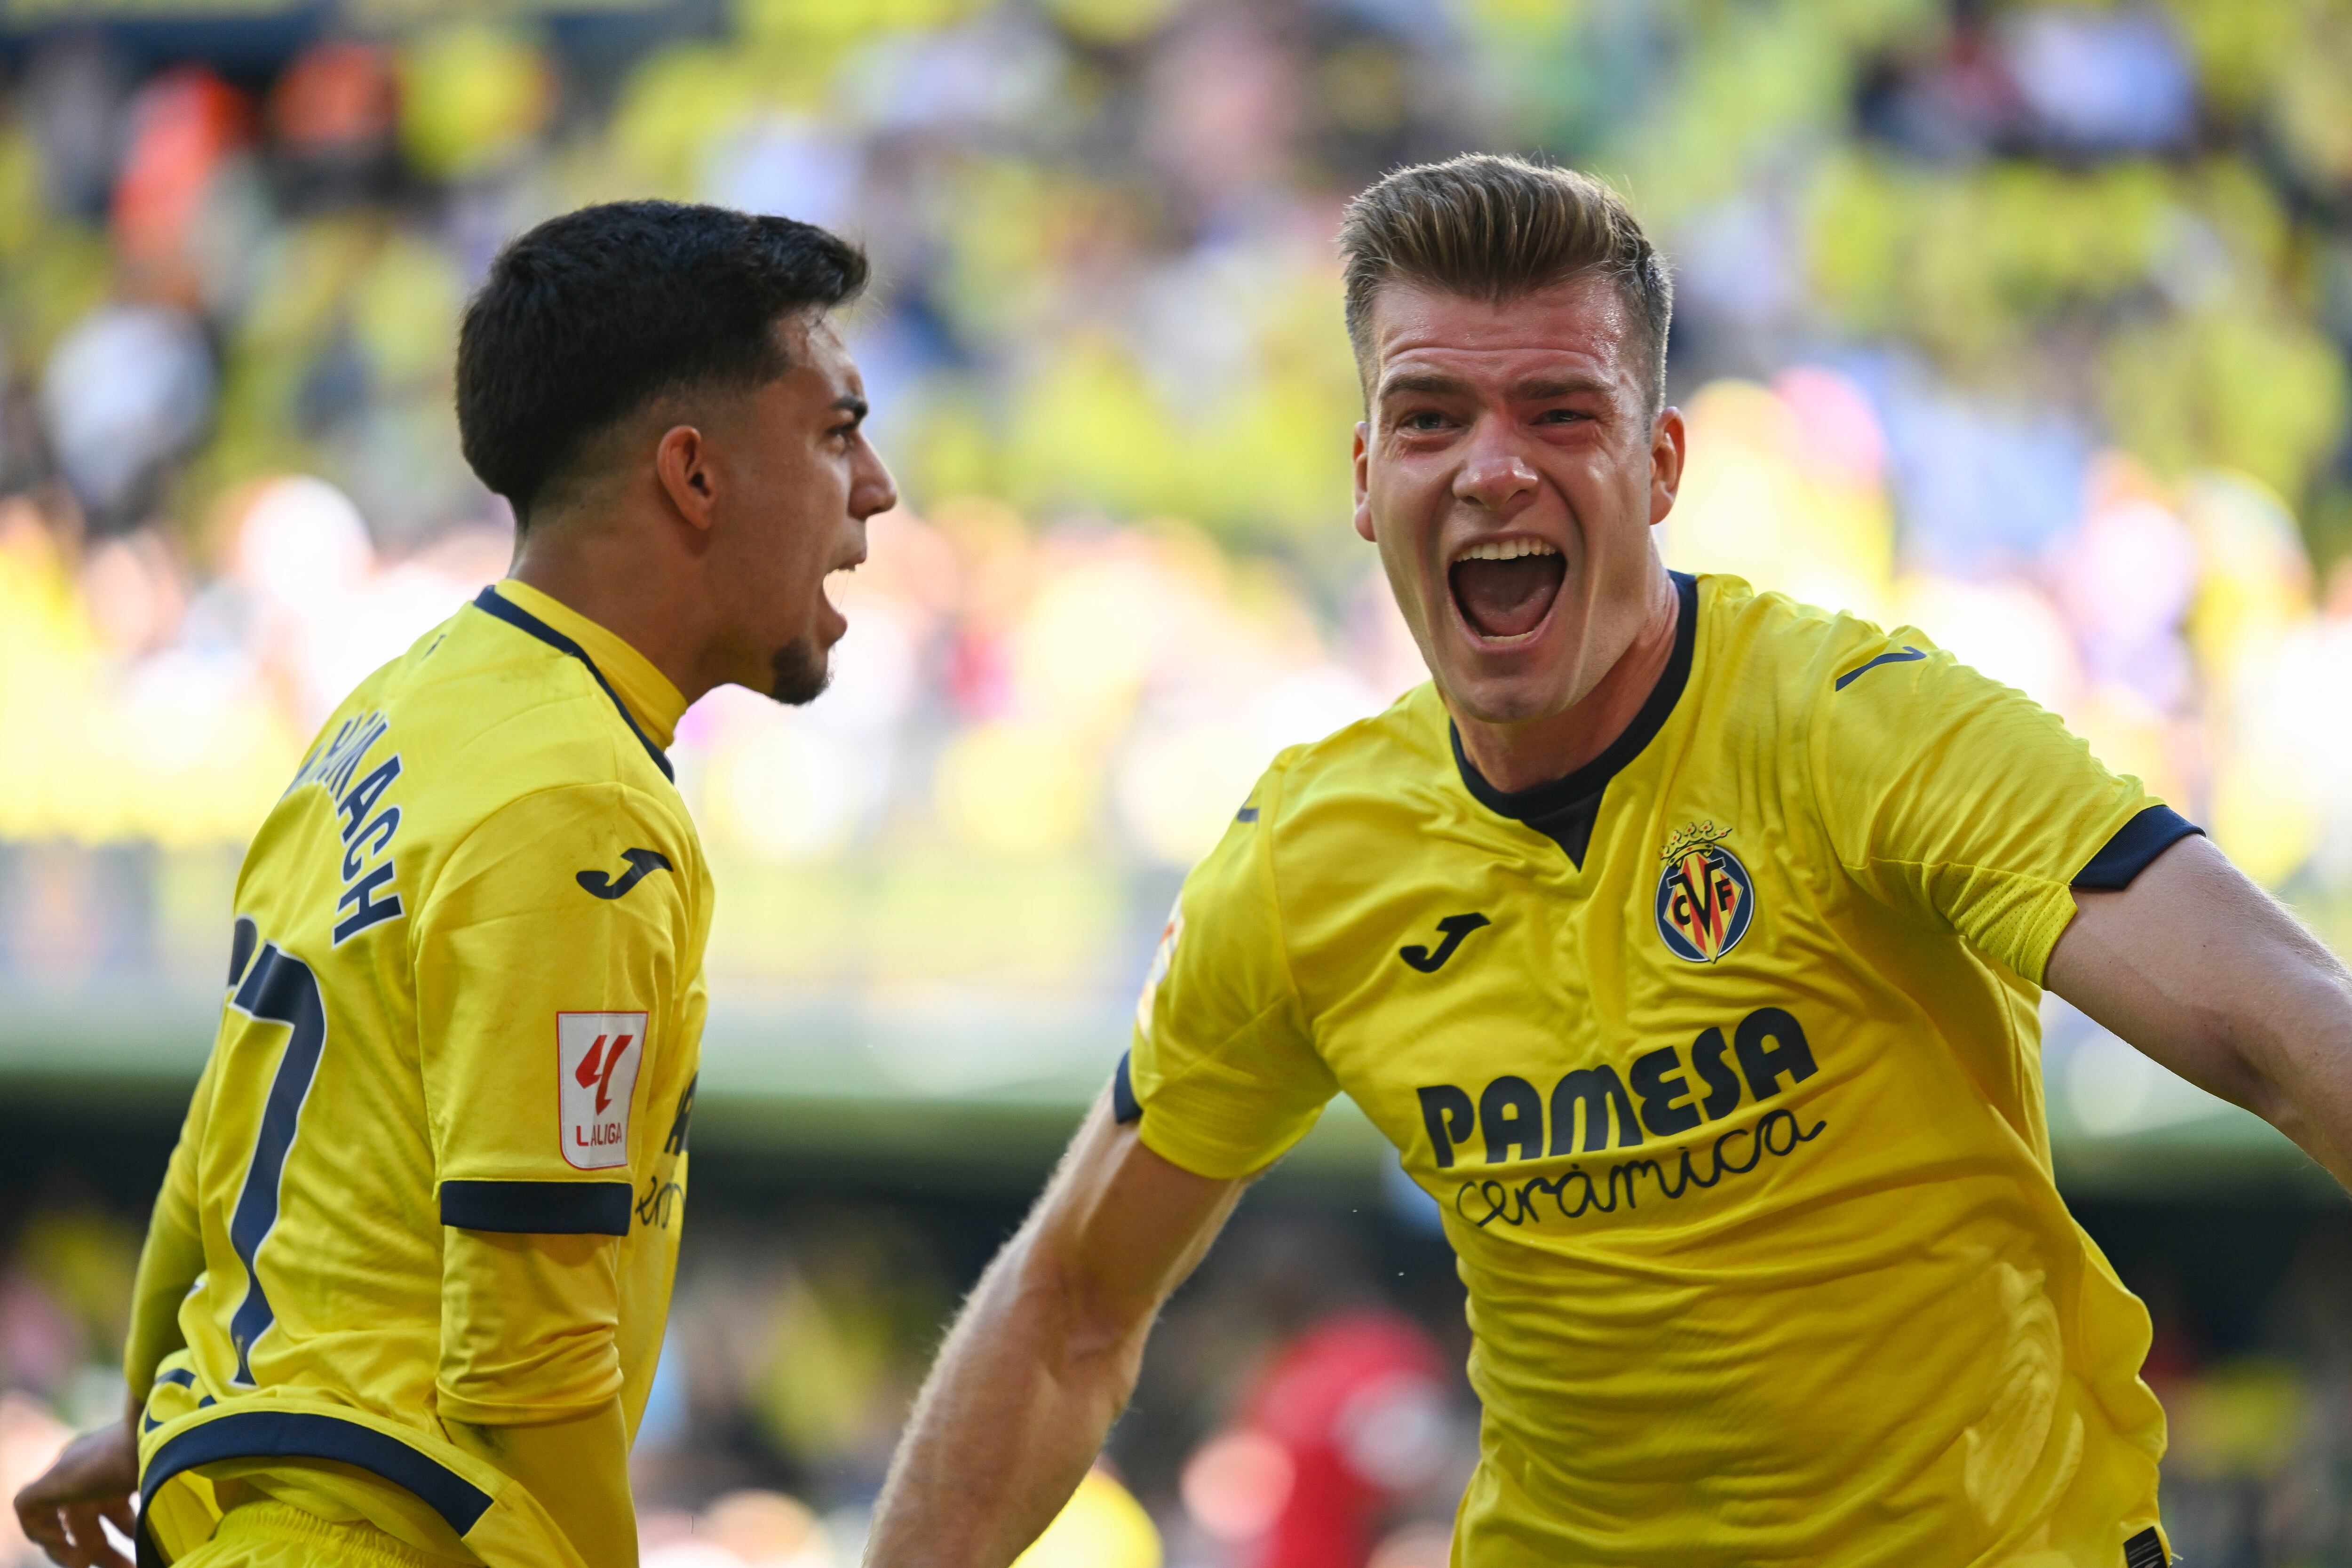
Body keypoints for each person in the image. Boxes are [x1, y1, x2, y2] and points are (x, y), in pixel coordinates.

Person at [862, 154, 2352, 1568]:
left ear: (1660, 465)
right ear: (1367, 474)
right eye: (1432, 417)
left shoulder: (1865, 731)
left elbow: (2283, 1031)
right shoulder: (1307, 861)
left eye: (1561, 413)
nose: (1492, 469)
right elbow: (1069, 1304)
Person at [14, 200, 896, 1568]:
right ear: (695, 473)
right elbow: (523, 1360)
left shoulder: (385, 718)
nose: (880, 487)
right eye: (837, 431)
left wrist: (157, 1410)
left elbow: (222, 1139)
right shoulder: (576, 806)